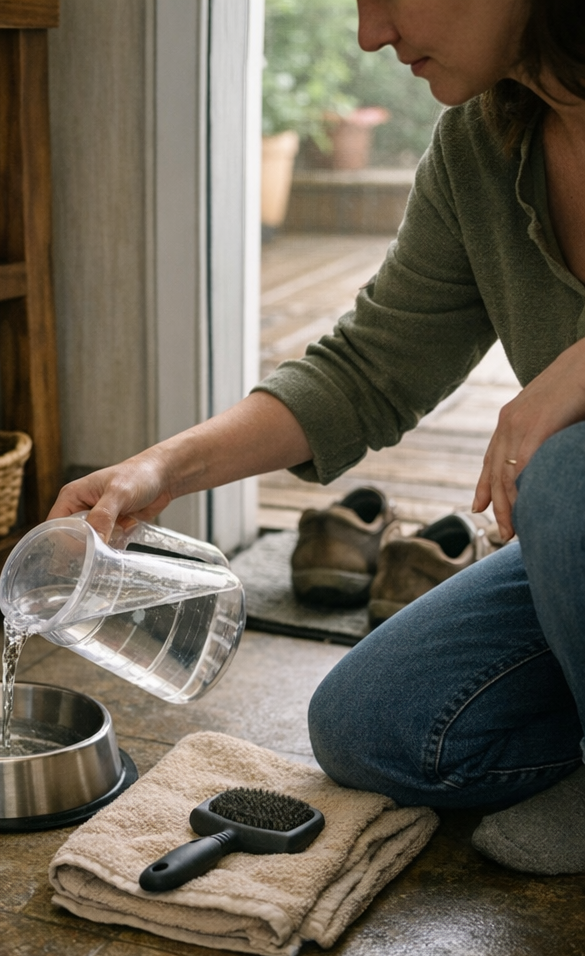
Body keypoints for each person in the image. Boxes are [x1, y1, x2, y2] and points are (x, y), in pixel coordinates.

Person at [49, 0, 585, 876]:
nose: (371, 34)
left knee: (567, 473)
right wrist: (165, 467)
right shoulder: (479, 151)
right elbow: (369, 368)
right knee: (374, 727)